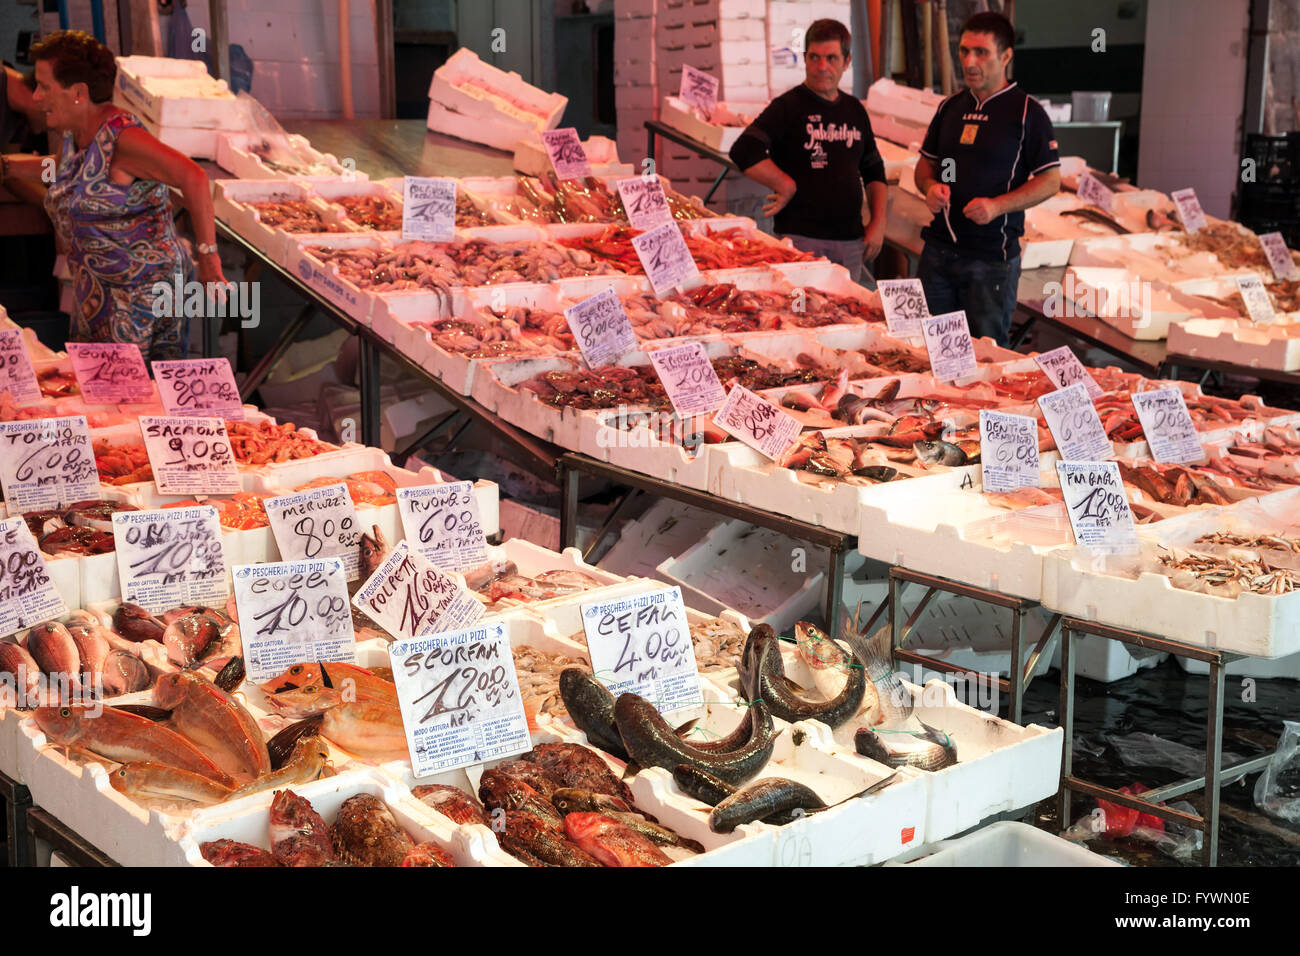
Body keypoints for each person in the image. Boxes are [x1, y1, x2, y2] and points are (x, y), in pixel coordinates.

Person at [3, 30, 226, 361]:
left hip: (139, 298)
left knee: (128, 399)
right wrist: (11, 169)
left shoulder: (123, 139)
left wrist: (209, 257)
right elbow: (64, 172)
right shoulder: (75, 134)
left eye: (45, 87)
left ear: (78, 92)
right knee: (102, 397)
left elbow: (193, 177)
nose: (35, 97)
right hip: (98, 294)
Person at [913, 11, 1060, 346]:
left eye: (981, 52)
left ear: (1006, 56)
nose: (969, 61)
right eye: (964, 51)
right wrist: (929, 187)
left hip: (991, 261)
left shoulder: (1027, 114)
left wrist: (997, 206)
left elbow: (1050, 180)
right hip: (938, 253)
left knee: (984, 358)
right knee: (926, 350)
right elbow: (927, 165)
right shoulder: (949, 108)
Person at [729, 18, 886, 284]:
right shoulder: (788, 106)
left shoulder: (855, 110)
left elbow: (874, 171)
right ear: (804, 58)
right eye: (814, 57)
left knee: (846, 316)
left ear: (847, 62)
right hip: (801, 241)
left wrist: (879, 222)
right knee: (801, 312)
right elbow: (744, 149)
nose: (821, 67)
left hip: (850, 241)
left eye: (831, 58)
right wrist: (784, 183)